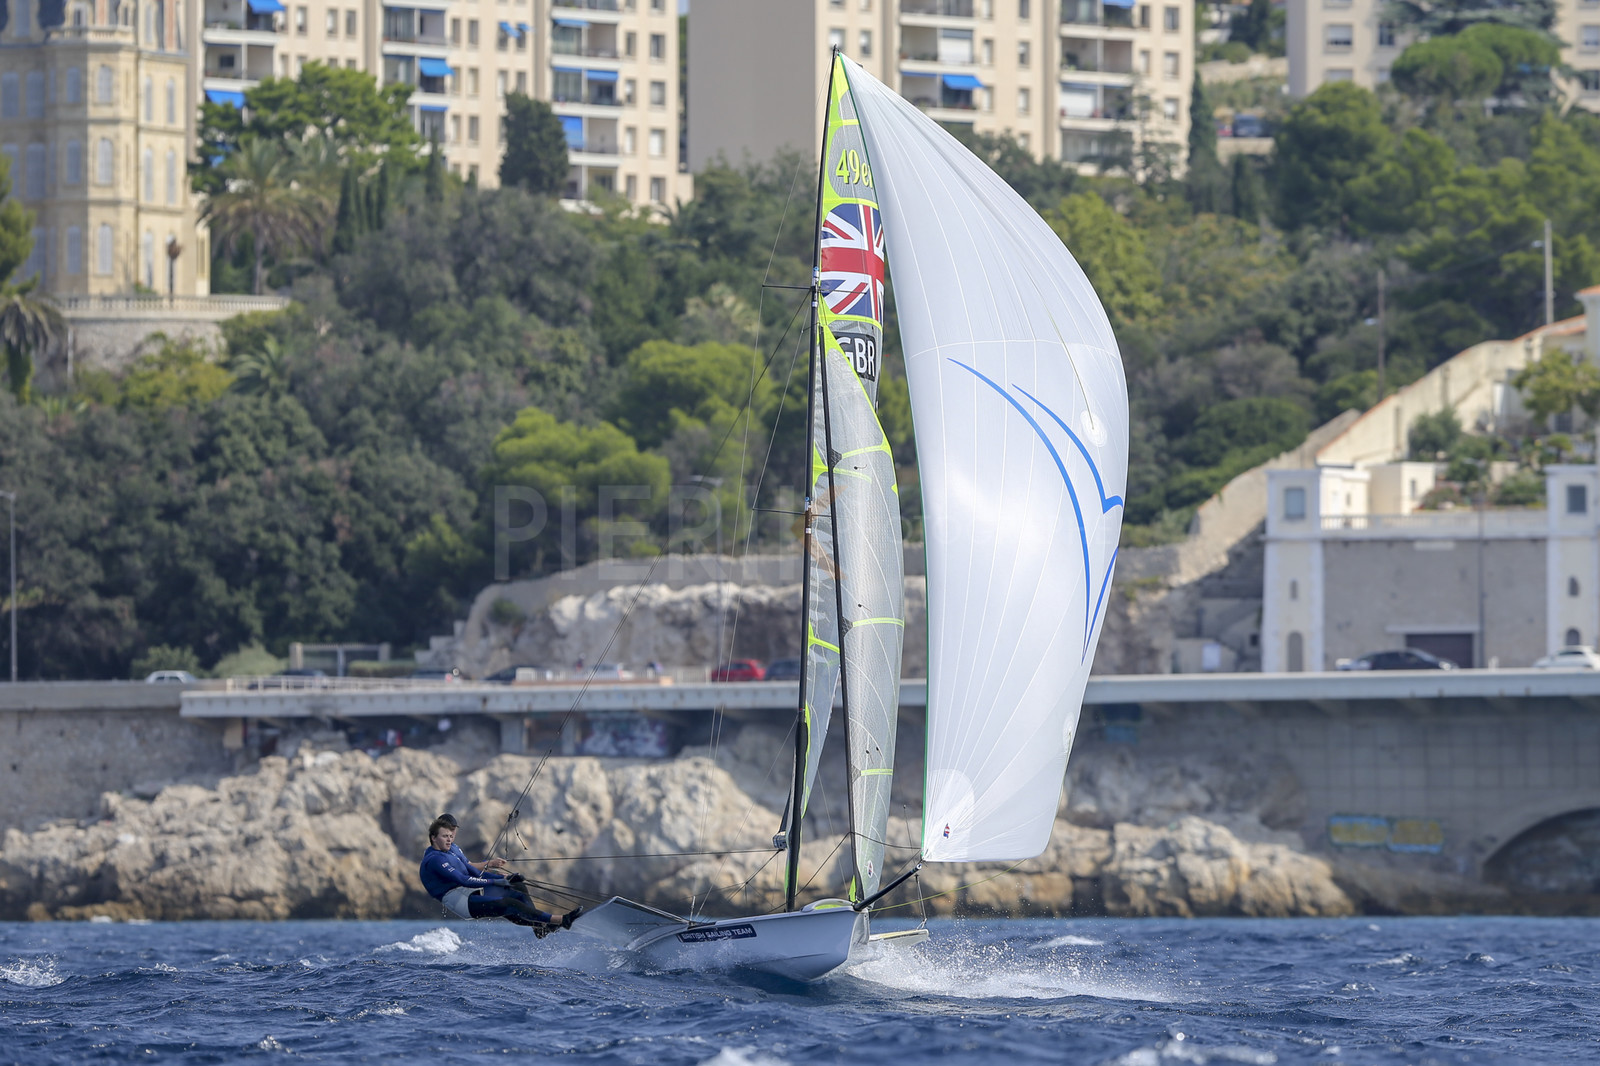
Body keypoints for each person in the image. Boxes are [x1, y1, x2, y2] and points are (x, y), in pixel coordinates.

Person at [418, 813, 581, 935]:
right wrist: (496, 882)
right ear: (433, 838)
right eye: (445, 836)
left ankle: (539, 926)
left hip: (470, 890)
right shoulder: (434, 860)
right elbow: (463, 879)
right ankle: (561, 920)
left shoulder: (452, 849)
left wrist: (505, 879)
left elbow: (474, 871)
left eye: (451, 835)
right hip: (459, 900)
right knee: (510, 904)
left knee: (517, 887)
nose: (450, 839)